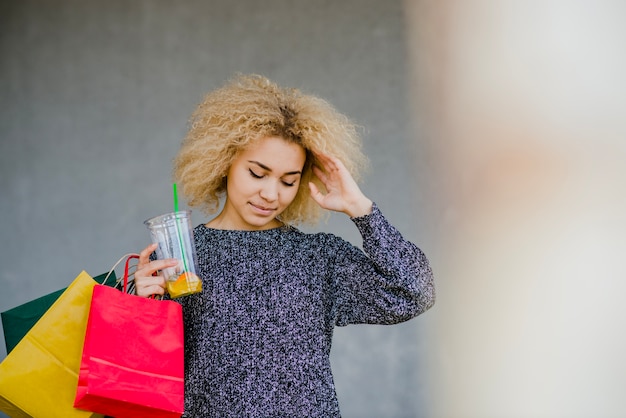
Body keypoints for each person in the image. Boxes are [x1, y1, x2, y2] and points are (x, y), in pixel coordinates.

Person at [134, 74, 435, 417]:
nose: (271, 194)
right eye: (257, 174)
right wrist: (142, 311)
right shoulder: (181, 256)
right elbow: (147, 378)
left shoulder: (318, 257)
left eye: (288, 181)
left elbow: (414, 291)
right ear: (224, 163)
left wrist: (361, 209)